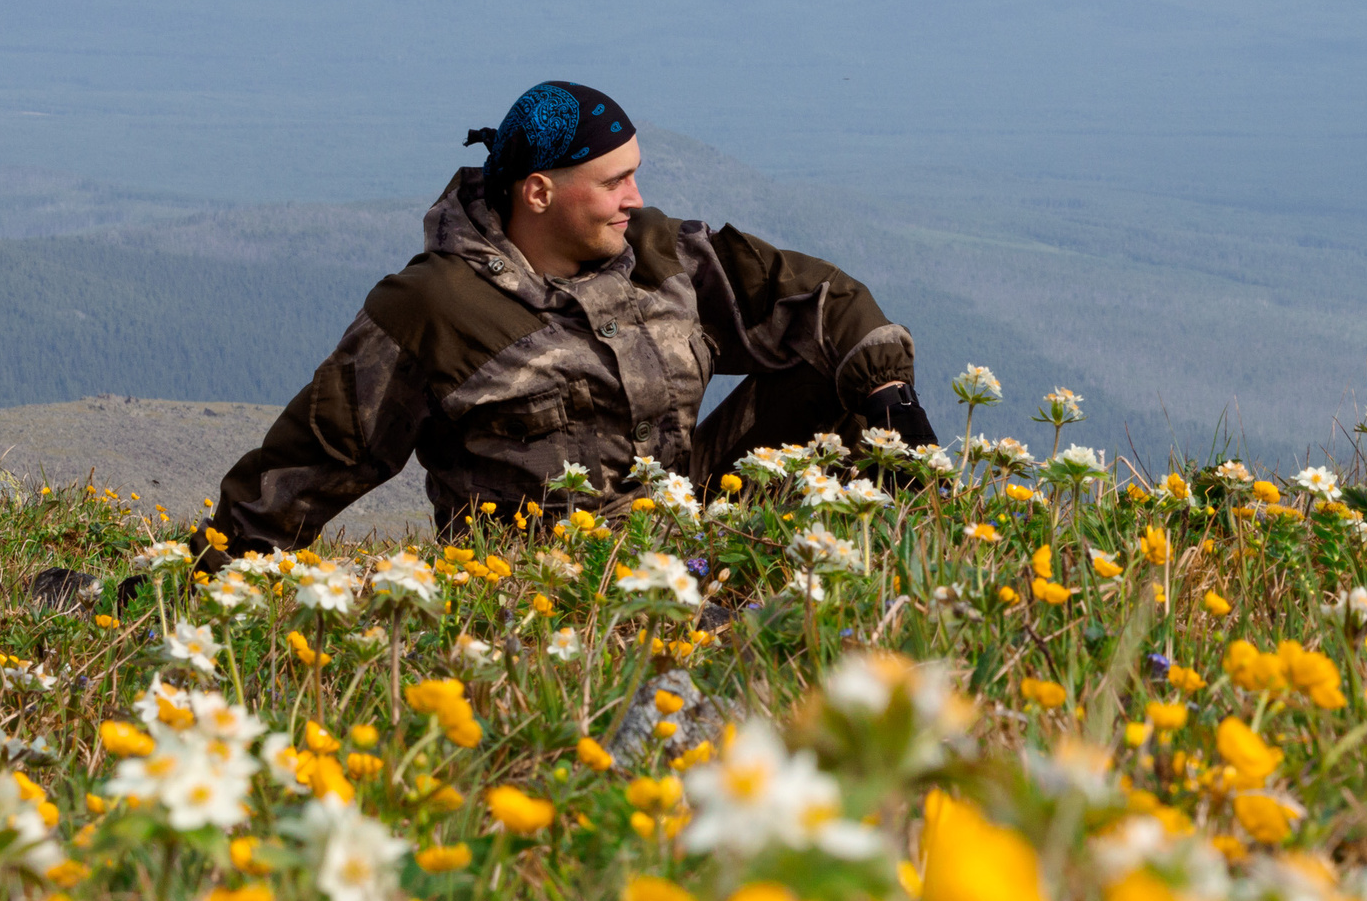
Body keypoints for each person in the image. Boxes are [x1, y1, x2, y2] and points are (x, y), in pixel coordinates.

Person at [205, 81, 938, 554]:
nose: (634, 196)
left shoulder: (664, 255)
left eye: (635, 174)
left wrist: (889, 400)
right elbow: (322, 453)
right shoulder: (433, 308)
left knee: (829, 369)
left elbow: (817, 298)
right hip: (546, 591)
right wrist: (210, 575)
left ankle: (917, 559)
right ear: (537, 194)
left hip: (690, 529)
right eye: (613, 180)